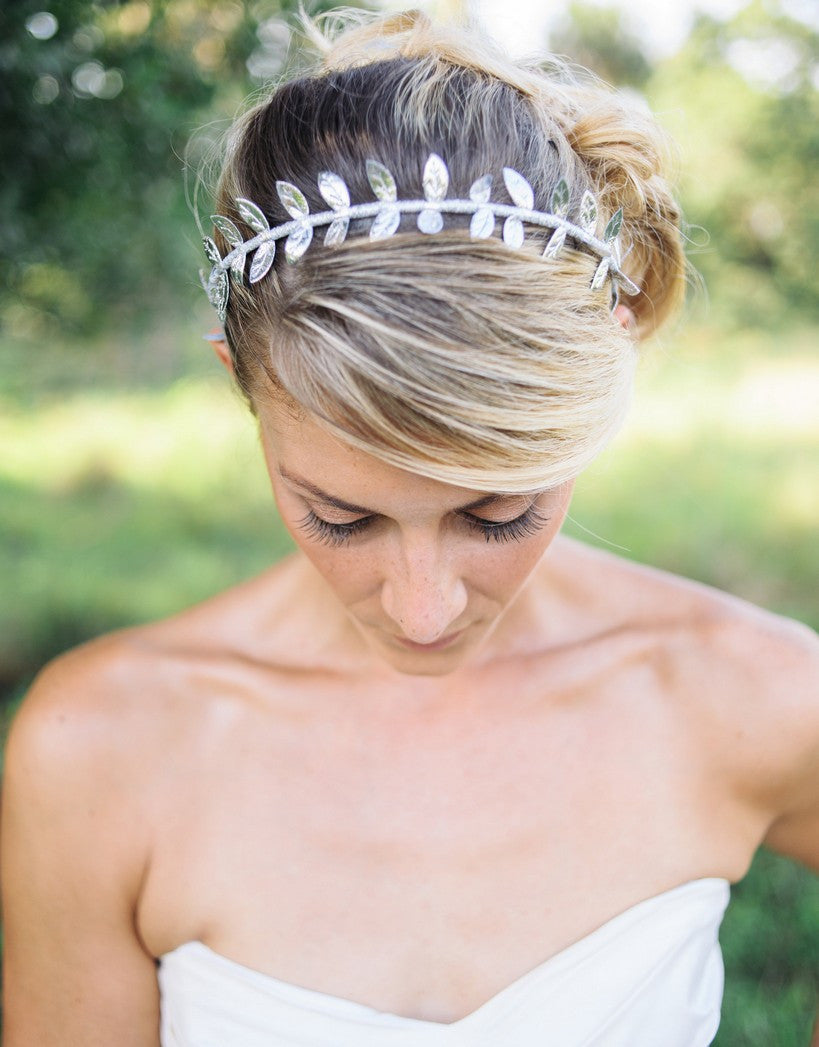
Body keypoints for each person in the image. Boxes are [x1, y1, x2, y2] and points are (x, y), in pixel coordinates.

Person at [2, 9, 817, 1046]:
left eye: (500, 513)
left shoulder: (753, 695)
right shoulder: (100, 750)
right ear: (241, 390)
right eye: (341, 519)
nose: (423, 610)